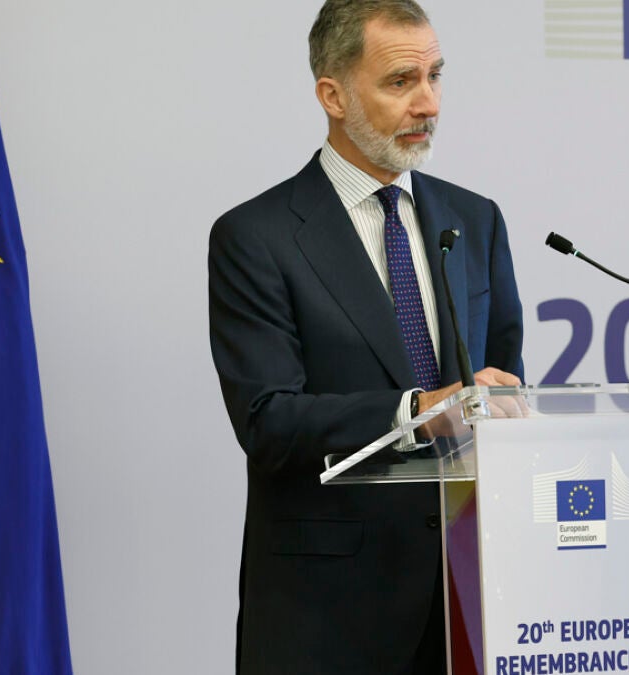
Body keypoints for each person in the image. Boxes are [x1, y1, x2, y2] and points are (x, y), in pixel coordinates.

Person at [208, 1, 524, 672]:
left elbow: (500, 383)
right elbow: (268, 420)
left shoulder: (475, 220)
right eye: (400, 81)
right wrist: (417, 411)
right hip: (327, 614)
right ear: (333, 95)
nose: (427, 103)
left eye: (435, 76)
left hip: (468, 599)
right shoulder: (257, 237)